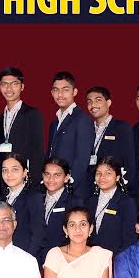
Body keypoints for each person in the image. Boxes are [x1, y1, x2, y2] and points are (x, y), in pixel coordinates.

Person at [47, 71, 94, 199]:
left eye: (65, 90)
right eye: (56, 90)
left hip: (72, 191)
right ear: (52, 93)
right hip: (54, 187)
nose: (60, 94)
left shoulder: (82, 119)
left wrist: (67, 187)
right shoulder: (54, 122)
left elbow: (82, 160)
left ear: (74, 92)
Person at [0, 67, 44, 185]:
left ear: (22, 87)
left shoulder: (32, 114)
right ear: (0, 87)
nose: (9, 88)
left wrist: (34, 180)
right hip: (5, 179)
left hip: (26, 179)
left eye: (14, 84)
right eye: (4, 84)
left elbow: (38, 151)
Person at [38, 157, 83, 266]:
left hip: (64, 260)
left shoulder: (74, 202)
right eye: (47, 174)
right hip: (37, 258)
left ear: (66, 177)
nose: (51, 179)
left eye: (57, 175)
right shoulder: (36, 199)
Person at [90, 156, 137, 256]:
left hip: (116, 259)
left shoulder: (126, 202)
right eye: (98, 173)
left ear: (117, 177)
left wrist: (117, 260)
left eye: (108, 173)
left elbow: (130, 239)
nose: (102, 177)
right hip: (92, 258)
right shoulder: (90, 201)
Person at [1, 153, 44, 259]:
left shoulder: (34, 197)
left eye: (14, 170)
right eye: (5, 170)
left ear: (25, 172)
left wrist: (26, 259)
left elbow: (38, 234)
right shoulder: (1, 197)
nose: (9, 174)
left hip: (24, 256)